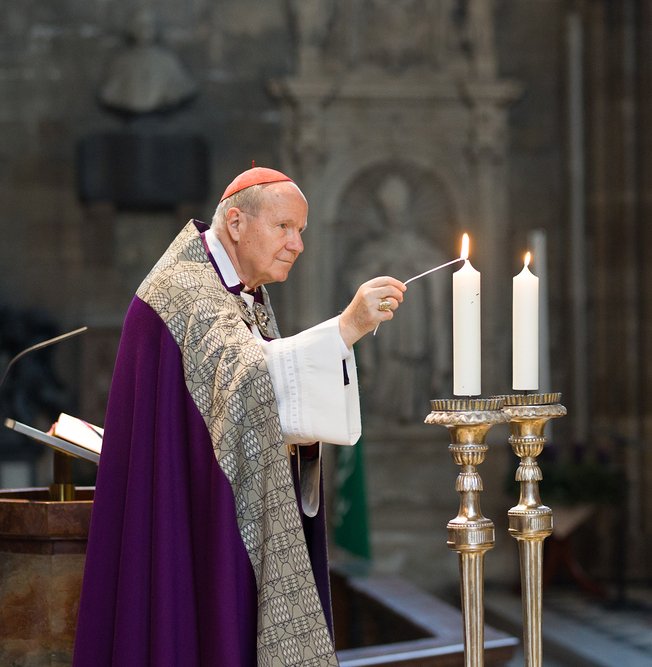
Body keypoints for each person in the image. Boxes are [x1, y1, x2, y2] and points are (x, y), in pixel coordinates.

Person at [73, 167, 406, 667]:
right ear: (235, 222)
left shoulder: (241, 291)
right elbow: (251, 381)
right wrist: (347, 327)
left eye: (301, 231)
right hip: (187, 513)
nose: (297, 244)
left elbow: (256, 394)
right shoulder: (186, 289)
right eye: (284, 227)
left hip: (223, 502)